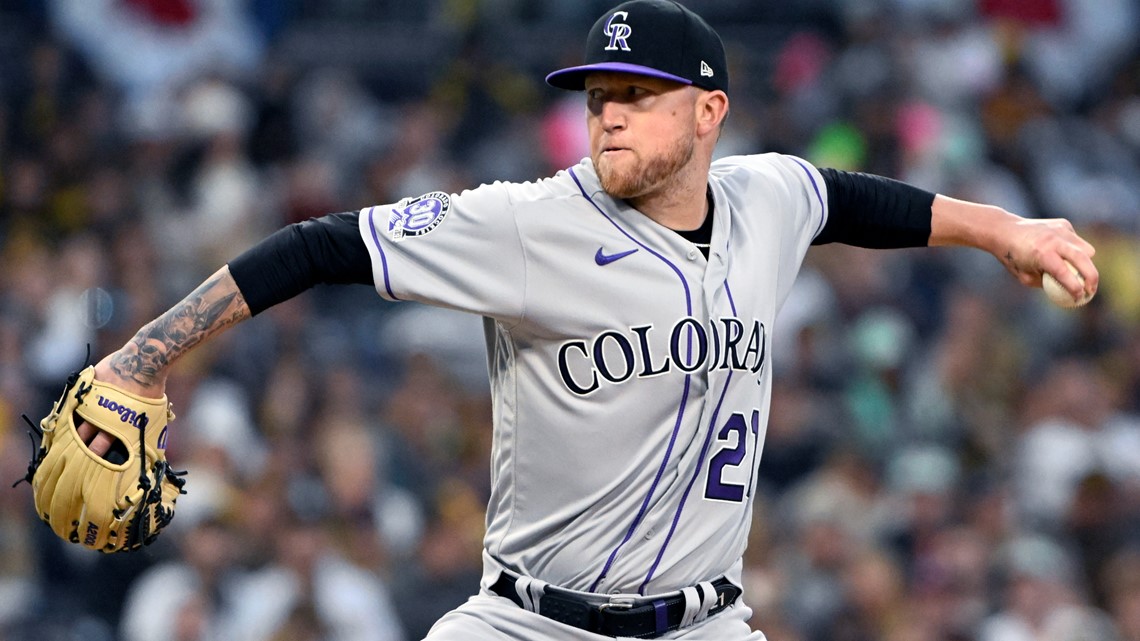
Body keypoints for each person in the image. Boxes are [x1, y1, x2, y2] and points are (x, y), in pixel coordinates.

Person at [74, 1, 1098, 639]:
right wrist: (143, 353)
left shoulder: (769, 197)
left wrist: (1003, 228)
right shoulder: (527, 221)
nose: (607, 111)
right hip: (528, 622)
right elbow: (319, 243)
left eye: (637, 94)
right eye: (598, 92)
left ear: (708, 112)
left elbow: (861, 199)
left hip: (707, 622)